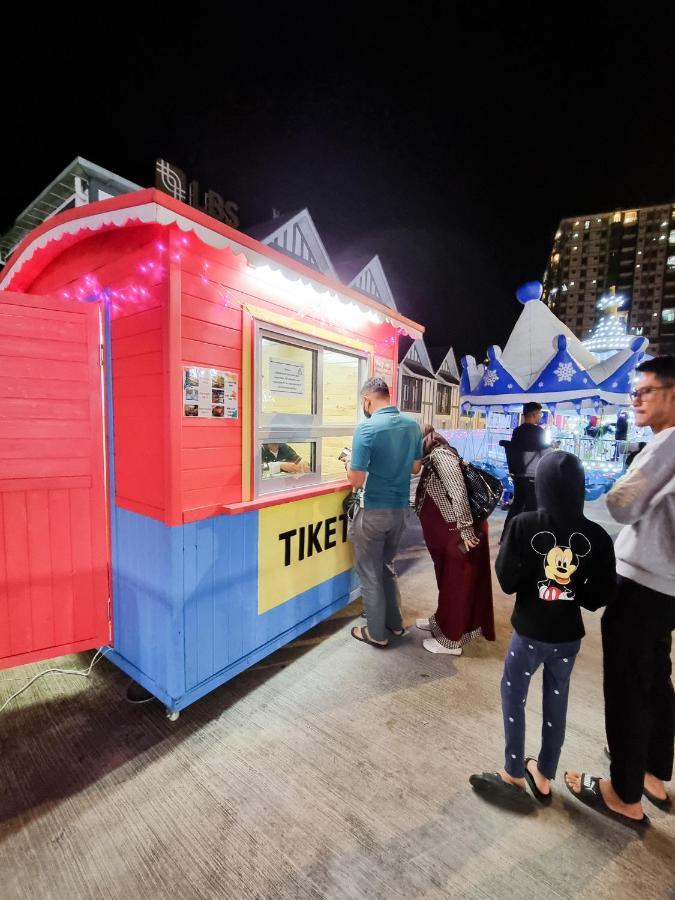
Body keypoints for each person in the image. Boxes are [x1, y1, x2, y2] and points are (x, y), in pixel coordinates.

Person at [565, 356, 675, 828]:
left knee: (629, 686)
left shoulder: (667, 444)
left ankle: (623, 792)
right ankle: (653, 771)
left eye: (646, 391)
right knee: (655, 677)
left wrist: (621, 483)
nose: (638, 400)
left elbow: (621, 502)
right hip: (666, 586)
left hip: (644, 582)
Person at [470, 451, 615, 806]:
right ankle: (545, 775)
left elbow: (505, 579)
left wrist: (531, 579)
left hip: (529, 633)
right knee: (557, 700)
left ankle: (513, 772)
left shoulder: (523, 523)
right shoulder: (596, 535)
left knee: (513, 696)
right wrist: (573, 591)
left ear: (542, 485)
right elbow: (601, 594)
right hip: (569, 638)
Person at [347, 377, 422, 648]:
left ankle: (376, 634)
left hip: (373, 511)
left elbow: (356, 480)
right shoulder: (412, 426)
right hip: (401, 510)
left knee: (369, 573)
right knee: (386, 567)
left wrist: (348, 462)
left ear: (367, 400)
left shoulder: (366, 429)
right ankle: (395, 624)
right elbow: (415, 469)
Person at [414, 426, 495, 655]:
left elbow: (458, 492)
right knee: (447, 580)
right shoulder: (432, 455)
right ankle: (442, 622)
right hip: (447, 531)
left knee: (456, 583)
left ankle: (451, 639)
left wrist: (467, 531)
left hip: (457, 531)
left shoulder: (441, 455)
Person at [501, 402, 550, 538]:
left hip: (518, 474)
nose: (540, 416)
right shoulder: (539, 431)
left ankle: (506, 537)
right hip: (531, 475)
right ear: (534, 414)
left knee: (516, 506)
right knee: (532, 508)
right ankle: (529, 539)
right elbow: (545, 453)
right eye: (539, 413)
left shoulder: (517, 431)